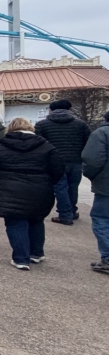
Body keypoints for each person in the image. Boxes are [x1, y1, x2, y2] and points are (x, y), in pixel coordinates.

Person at [0, 117, 65, 270]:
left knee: (15, 221)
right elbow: (58, 169)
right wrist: (48, 181)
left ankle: (21, 258)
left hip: (9, 188)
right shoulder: (46, 146)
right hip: (40, 189)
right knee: (36, 219)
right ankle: (36, 253)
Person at [35, 99, 90, 226]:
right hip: (76, 160)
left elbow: (38, 144)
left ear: (51, 110)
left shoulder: (42, 125)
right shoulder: (81, 125)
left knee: (60, 187)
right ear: (69, 109)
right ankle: (72, 210)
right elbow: (88, 143)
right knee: (73, 187)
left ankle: (65, 215)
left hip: (54, 161)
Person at [81, 111, 109, 274]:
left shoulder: (101, 133)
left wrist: (90, 175)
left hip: (106, 185)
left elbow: (92, 159)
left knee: (102, 219)